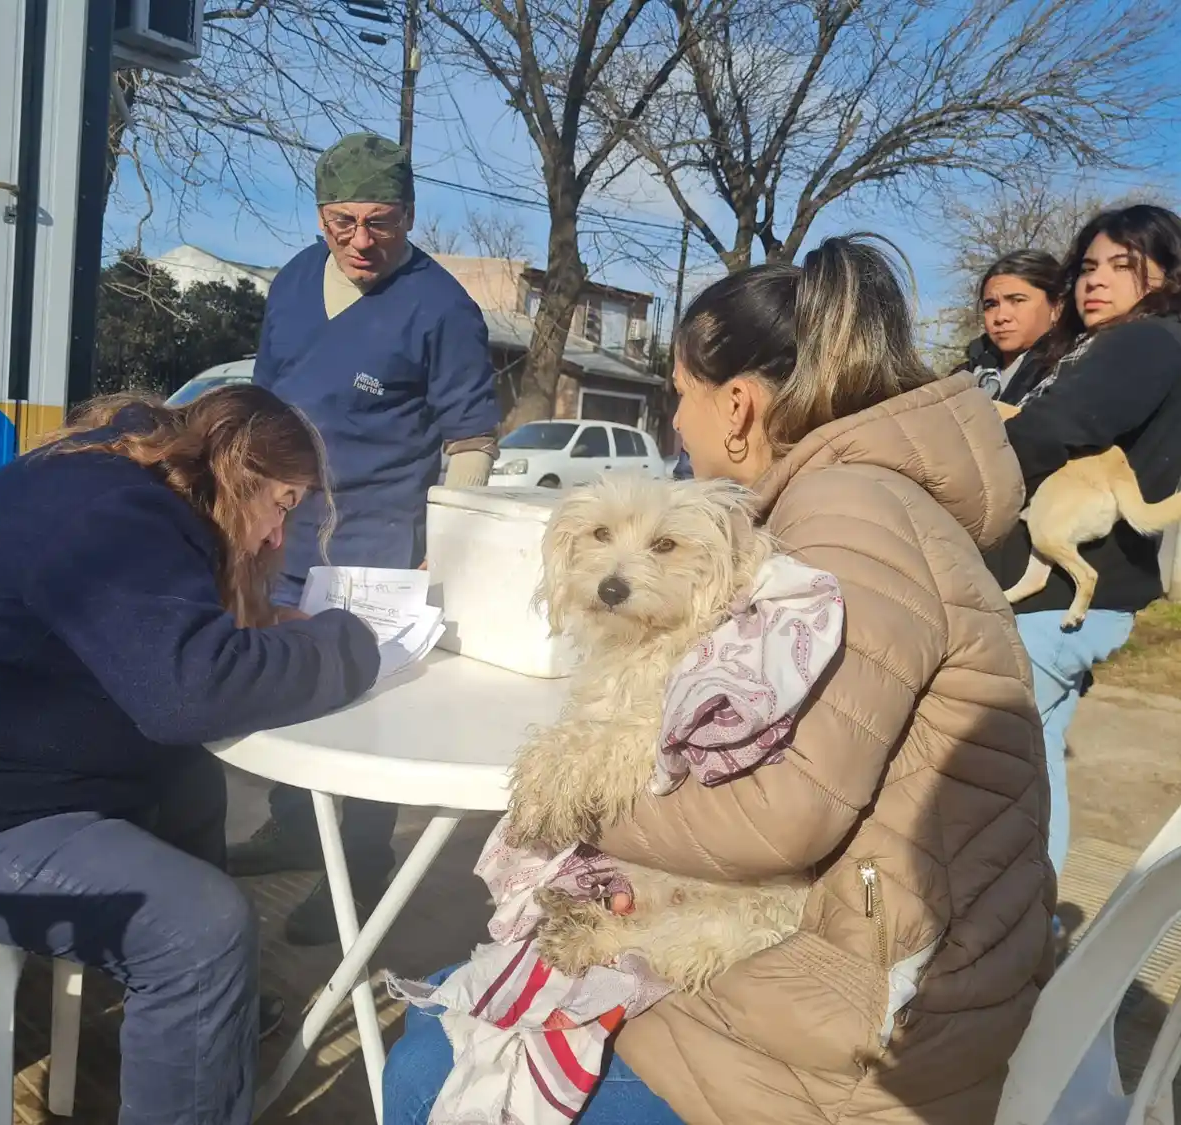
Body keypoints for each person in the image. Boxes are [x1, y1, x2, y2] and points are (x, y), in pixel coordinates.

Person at [385, 236, 1052, 1125]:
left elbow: (784, 814)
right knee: (479, 992)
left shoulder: (851, 517)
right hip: (869, 951)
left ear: (737, 404)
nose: (675, 425)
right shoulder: (858, 499)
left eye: (680, 396)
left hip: (874, 1021)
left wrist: (582, 810)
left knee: (429, 1062)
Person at [0, 387, 381, 1125]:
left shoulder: (116, 485)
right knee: (198, 929)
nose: (274, 539)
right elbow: (189, 694)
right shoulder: (118, 515)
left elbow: (169, 664)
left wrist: (256, 636)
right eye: (282, 505)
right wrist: (347, 641)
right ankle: (198, 989)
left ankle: (205, 1017)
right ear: (236, 474)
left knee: (187, 782)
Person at [229, 131, 502, 946]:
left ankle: (360, 865)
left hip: (381, 544)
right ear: (319, 215)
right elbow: (261, 403)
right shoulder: (289, 284)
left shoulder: (441, 308)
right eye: (343, 221)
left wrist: (448, 545)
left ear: (409, 216)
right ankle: (291, 828)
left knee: (364, 707)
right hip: (286, 532)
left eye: (381, 222)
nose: (361, 241)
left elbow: (471, 442)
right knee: (279, 685)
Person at [986, 204, 1181, 883]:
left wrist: (964, 459)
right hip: (1069, 601)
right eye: (1089, 267)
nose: (1097, 280)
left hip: (1061, 605)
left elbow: (1054, 427)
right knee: (1027, 769)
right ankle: (1024, 935)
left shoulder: (1145, 340)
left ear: (1168, 272)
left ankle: (1022, 938)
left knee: (1017, 781)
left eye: (1124, 266)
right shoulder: (1119, 342)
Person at [953, 249, 1063, 403]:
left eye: (1017, 300)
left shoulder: (1067, 372)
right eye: (991, 305)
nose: (1000, 317)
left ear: (1056, 308)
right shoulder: (965, 376)